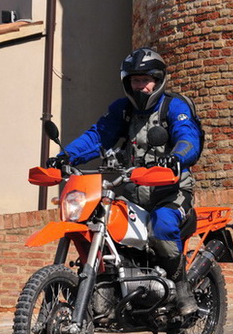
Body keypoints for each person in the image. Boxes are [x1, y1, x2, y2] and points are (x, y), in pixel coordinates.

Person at [47, 47, 202, 316]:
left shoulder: (175, 106)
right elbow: (98, 136)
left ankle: (181, 287)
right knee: (99, 222)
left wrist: (177, 157)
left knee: (163, 226)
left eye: (146, 80)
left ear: (158, 80)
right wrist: (65, 157)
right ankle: (109, 288)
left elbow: (188, 136)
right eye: (135, 81)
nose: (141, 87)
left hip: (170, 192)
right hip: (132, 192)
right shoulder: (123, 110)